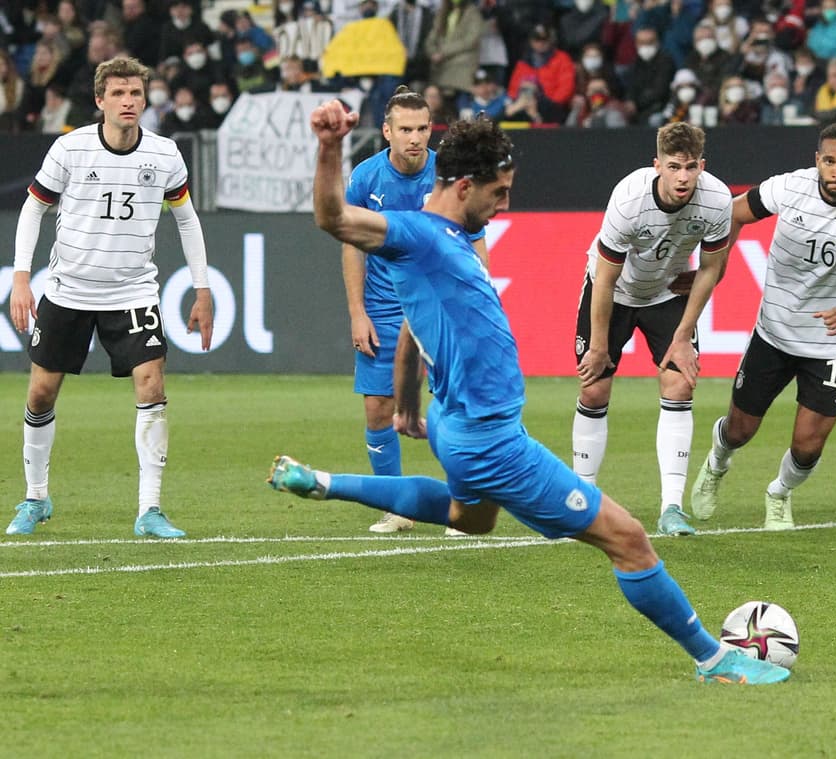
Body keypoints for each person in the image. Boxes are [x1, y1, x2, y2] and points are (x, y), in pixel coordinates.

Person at [271, 102, 789, 686]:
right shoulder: (416, 234)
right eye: (499, 192)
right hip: (490, 440)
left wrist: (410, 397)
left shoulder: (443, 237)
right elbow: (333, 218)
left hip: (451, 421)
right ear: (464, 186)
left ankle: (323, 483)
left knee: (470, 519)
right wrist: (330, 146)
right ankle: (715, 661)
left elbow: (420, 320)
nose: (506, 205)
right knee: (629, 539)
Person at [7, 57, 214, 538]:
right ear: (100, 101)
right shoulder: (70, 148)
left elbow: (186, 219)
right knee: (41, 392)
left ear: (145, 99)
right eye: (119, 94)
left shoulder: (164, 154)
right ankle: (36, 497)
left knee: (151, 386)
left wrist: (201, 289)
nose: (128, 102)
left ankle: (150, 510)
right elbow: (33, 208)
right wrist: (22, 277)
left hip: (134, 290)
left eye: (136, 94)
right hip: (68, 289)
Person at [690, 123, 836, 530]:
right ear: (817, 160)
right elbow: (734, 212)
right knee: (739, 430)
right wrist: (717, 266)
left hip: (833, 345)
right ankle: (717, 464)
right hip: (774, 332)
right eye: (830, 161)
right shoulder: (789, 188)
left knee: (807, 446)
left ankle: (779, 493)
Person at [573, 122, 732, 537]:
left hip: (665, 294)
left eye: (691, 167)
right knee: (594, 388)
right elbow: (605, 279)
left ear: (703, 165)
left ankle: (672, 508)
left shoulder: (717, 201)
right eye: (675, 167)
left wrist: (683, 335)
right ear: (657, 164)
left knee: (680, 385)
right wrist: (600, 346)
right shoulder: (629, 199)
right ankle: (583, 503)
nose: (683, 177)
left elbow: (713, 268)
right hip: (616, 292)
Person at [343, 86, 486, 534]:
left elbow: (475, 237)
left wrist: (475, 300)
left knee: (455, 408)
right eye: (405, 129)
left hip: (442, 306)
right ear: (387, 131)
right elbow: (352, 247)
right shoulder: (366, 178)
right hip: (384, 308)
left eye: (422, 128)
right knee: (377, 410)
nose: (415, 138)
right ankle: (399, 507)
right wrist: (356, 312)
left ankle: (464, 509)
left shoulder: (450, 174)